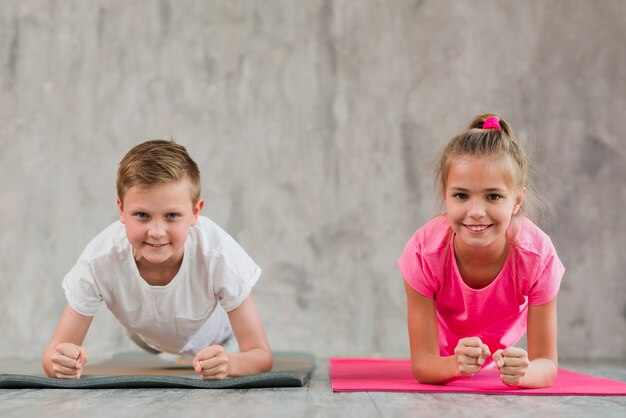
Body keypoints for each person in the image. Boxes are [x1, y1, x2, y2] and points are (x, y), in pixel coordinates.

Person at [42, 140, 272, 380]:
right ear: (121, 209)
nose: (156, 232)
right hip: (145, 333)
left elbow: (261, 355)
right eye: (142, 215)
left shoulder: (219, 253)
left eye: (172, 216)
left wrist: (231, 364)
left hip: (213, 335)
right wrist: (62, 362)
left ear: (195, 213)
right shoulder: (99, 260)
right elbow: (51, 356)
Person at [398, 114, 564, 388]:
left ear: (517, 200)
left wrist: (525, 373)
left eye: (493, 196)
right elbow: (423, 364)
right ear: (445, 195)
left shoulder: (538, 256)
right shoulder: (423, 253)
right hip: (445, 347)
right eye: (461, 196)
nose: (476, 212)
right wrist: (454, 364)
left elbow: (546, 362)